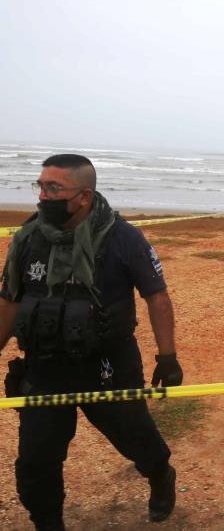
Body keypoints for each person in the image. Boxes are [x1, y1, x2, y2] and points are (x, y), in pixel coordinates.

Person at [0, 154, 184, 530]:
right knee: (36, 460)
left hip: (108, 365)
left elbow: (157, 296)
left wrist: (168, 357)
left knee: (135, 438)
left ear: (83, 196)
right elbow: (10, 299)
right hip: (46, 366)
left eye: (54, 188)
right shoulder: (28, 238)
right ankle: (48, 522)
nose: (43, 196)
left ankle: (160, 476)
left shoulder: (123, 238)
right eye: (40, 185)